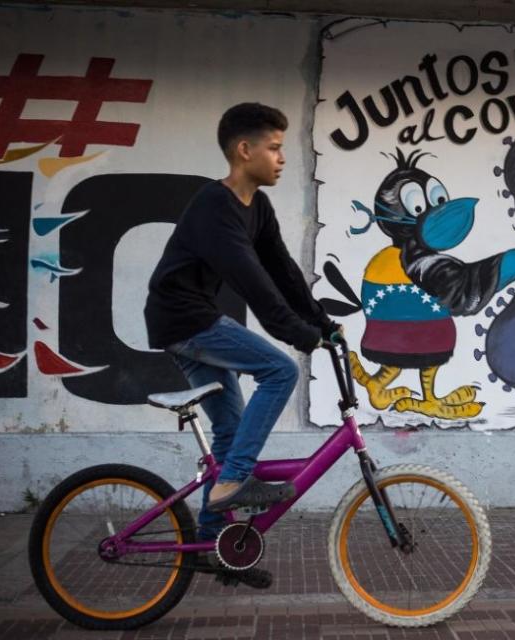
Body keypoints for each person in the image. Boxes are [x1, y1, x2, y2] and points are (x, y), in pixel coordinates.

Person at [144, 103, 338, 577]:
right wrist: (300, 337)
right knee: (280, 370)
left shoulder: (258, 207)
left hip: (192, 321)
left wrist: (322, 321)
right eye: (274, 148)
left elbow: (282, 271)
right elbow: (252, 281)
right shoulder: (214, 206)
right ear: (244, 150)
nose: (281, 158)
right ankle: (232, 482)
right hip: (185, 320)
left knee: (230, 433)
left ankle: (214, 546)